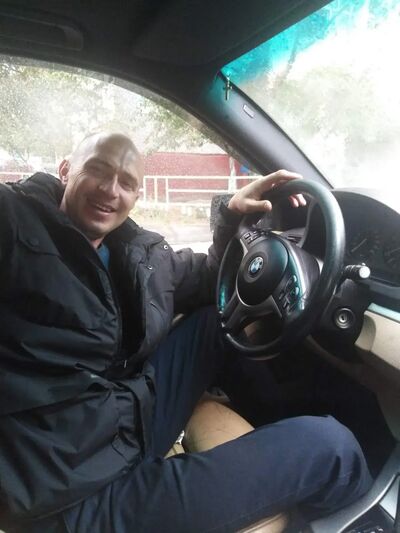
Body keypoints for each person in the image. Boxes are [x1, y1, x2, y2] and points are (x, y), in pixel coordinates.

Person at [0, 132, 372, 533]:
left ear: (137, 195)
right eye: (98, 170)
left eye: (126, 182)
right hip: (70, 493)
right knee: (334, 449)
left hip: (120, 418)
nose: (110, 190)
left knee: (217, 322)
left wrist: (231, 215)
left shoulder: (136, 252)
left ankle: (276, 438)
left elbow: (210, 278)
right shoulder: (16, 221)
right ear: (65, 170)